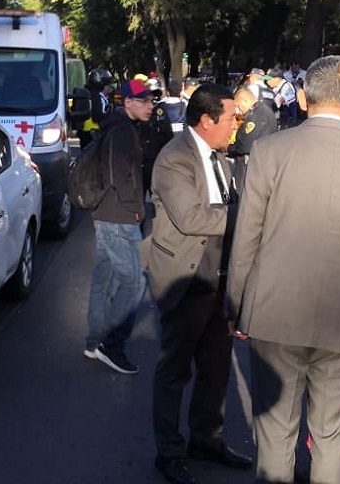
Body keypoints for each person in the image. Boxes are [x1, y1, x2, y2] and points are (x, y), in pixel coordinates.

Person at [228, 55, 340, 484]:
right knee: (333, 435)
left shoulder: (270, 151)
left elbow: (247, 237)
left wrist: (236, 306)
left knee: (275, 433)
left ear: (301, 98)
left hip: (274, 314)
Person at [143, 83, 251, 484]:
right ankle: (168, 453)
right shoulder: (173, 159)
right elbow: (192, 219)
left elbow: (228, 206)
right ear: (206, 121)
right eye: (231, 118)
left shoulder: (221, 158)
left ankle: (205, 438)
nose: (235, 126)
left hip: (220, 282)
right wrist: (251, 215)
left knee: (216, 368)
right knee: (174, 371)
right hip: (186, 281)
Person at [84, 78, 153, 374]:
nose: (150, 106)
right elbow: (118, 174)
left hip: (107, 213)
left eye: (151, 101)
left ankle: (95, 341)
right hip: (119, 217)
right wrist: (136, 210)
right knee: (135, 281)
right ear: (127, 102)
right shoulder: (122, 130)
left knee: (105, 276)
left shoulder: (116, 126)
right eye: (144, 101)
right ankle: (112, 345)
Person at [227, 85, 276, 195]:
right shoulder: (259, 111)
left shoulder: (258, 116)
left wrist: (229, 148)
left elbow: (245, 145)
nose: (238, 110)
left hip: (251, 167)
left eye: (238, 106)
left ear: (245, 101)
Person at [140, 80, 175, 196]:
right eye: (150, 96)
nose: (153, 99)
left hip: (157, 159)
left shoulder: (162, 110)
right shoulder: (139, 111)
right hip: (141, 161)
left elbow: (167, 134)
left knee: (158, 196)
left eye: (156, 95)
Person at [80, 68, 114, 148]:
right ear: (101, 85)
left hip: (89, 132)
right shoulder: (96, 97)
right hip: (93, 133)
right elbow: (97, 117)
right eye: (108, 84)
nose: (111, 86)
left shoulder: (94, 95)